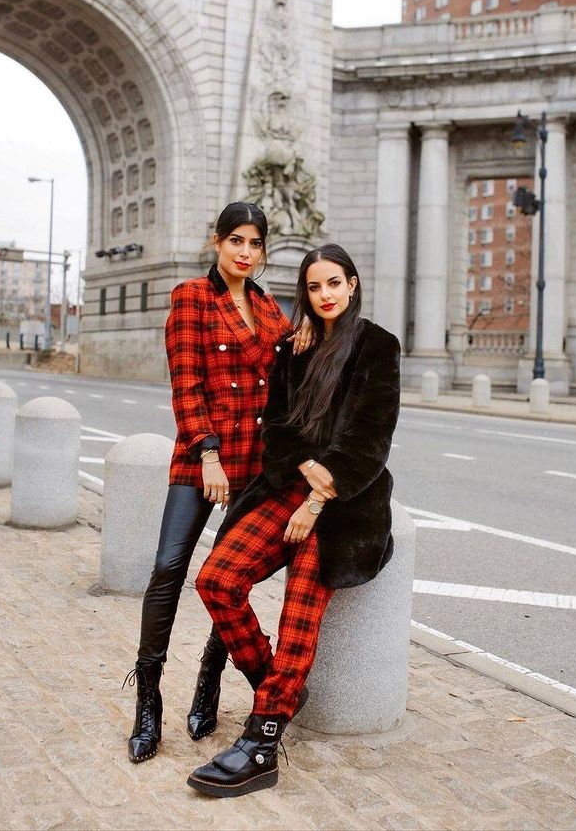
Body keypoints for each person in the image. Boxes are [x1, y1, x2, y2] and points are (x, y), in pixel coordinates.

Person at [187, 243, 401, 798]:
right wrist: (303, 478)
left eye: (334, 284)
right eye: (313, 287)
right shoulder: (294, 347)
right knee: (217, 580)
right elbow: (277, 431)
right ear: (304, 293)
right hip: (288, 487)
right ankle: (276, 690)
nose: (325, 295)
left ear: (352, 285)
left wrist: (316, 501)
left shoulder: (378, 346)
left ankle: (261, 744)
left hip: (346, 503)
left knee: (299, 610)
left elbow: (369, 441)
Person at [125, 201, 310, 764]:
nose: (245, 253)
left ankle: (209, 682)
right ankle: (148, 700)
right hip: (202, 457)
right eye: (236, 241)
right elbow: (187, 384)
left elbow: (288, 374)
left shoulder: (269, 309)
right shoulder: (190, 297)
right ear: (217, 242)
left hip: (254, 464)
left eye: (255, 245)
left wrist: (302, 342)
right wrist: (207, 455)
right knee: (169, 566)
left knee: (227, 578)